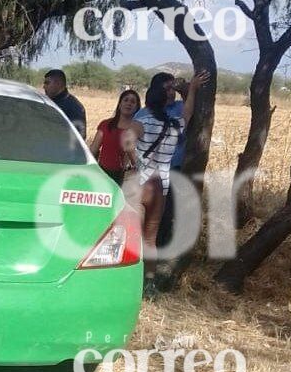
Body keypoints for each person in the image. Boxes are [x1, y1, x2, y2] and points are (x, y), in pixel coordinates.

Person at [135, 70, 209, 297]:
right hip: (162, 185)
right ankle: (148, 284)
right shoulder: (174, 124)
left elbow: (126, 142)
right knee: (150, 237)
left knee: (133, 234)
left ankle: (128, 278)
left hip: (141, 183)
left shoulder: (142, 118)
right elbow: (187, 114)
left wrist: (132, 161)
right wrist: (193, 89)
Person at [89, 90, 143, 185]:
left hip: (126, 177)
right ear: (119, 104)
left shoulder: (139, 128)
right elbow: (93, 149)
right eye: (126, 100)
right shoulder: (105, 124)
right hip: (103, 174)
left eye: (133, 102)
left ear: (137, 107)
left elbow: (139, 156)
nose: (129, 104)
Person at [43, 69, 87, 139]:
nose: (44, 86)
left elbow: (78, 139)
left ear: (58, 83)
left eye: (47, 83)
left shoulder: (75, 107)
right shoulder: (47, 102)